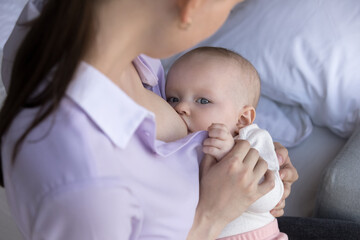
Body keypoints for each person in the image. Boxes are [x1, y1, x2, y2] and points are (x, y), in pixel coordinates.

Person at [0, 0, 298, 239]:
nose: (182, 107)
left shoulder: (73, 25)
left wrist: (251, 156)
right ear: (190, 7)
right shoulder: (87, 188)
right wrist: (212, 214)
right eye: (230, 8)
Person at [166, 47, 287, 239]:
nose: (180, 107)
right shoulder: (173, 143)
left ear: (242, 119)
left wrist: (230, 156)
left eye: (203, 100)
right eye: (173, 98)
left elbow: (271, 198)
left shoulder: (251, 139)